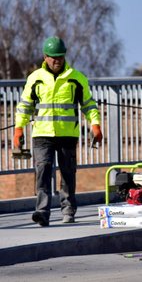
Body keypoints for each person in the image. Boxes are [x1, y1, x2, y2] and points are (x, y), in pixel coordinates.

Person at [13, 36, 103, 227]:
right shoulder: (35, 78)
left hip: (67, 134)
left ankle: (68, 210)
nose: (57, 60)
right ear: (45, 57)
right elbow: (24, 106)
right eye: (53, 57)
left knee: (68, 173)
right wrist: (18, 128)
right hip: (42, 134)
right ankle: (42, 212)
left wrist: (95, 124)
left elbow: (88, 104)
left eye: (60, 56)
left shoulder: (76, 78)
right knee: (43, 170)